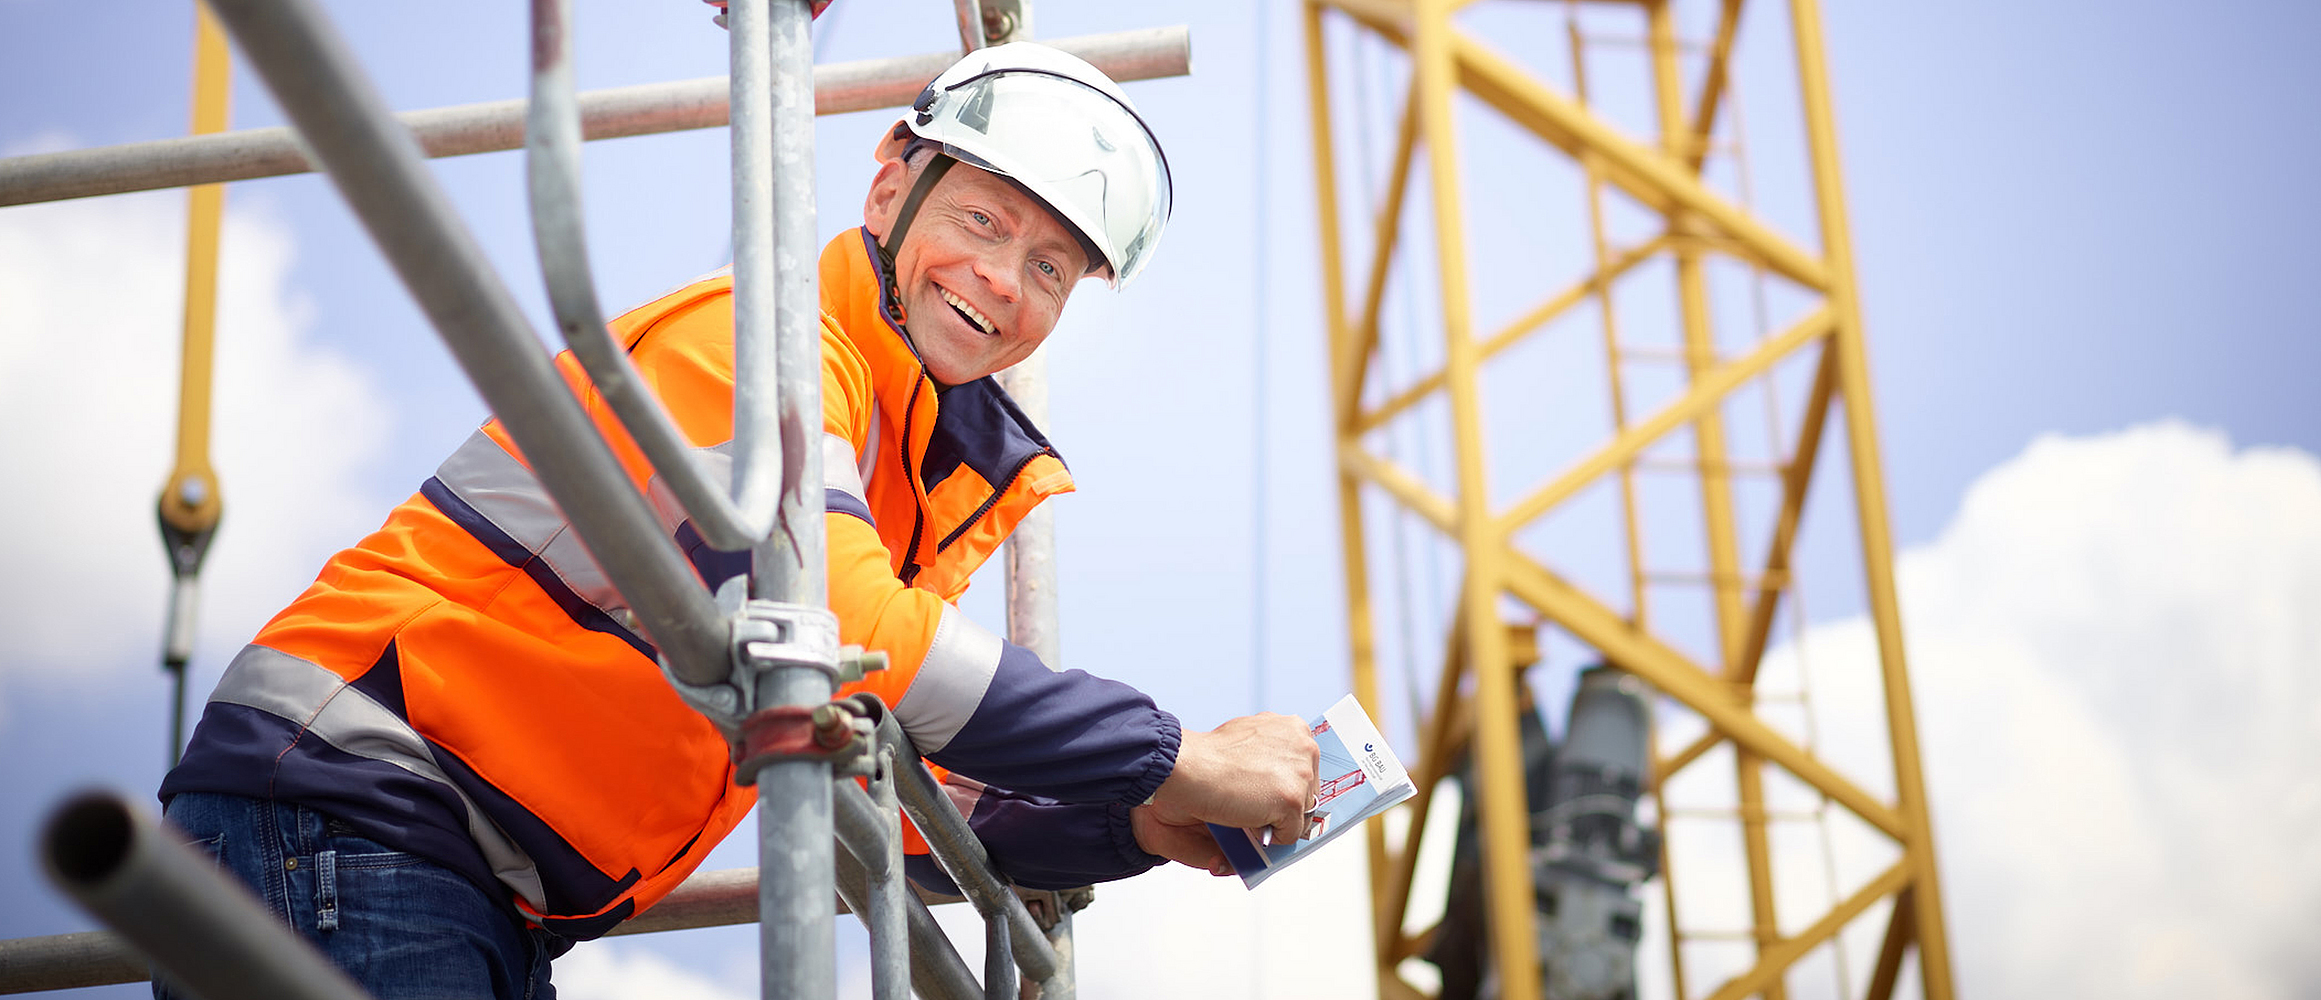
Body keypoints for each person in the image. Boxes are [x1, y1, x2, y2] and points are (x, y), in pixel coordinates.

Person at [156, 41, 1318, 998]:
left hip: (452, 874)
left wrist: (1133, 819)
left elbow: (879, 782)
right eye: (979, 219)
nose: (1005, 280)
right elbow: (844, 617)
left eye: (1053, 268)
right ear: (884, 189)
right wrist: (1183, 755)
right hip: (351, 815)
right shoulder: (762, 348)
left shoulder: (902, 474)